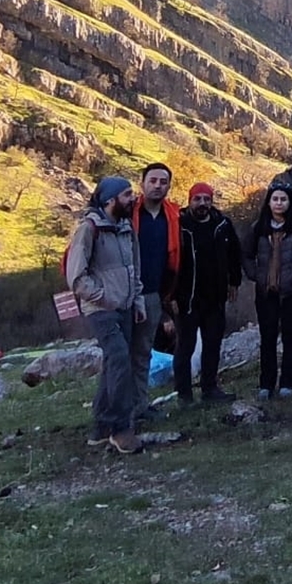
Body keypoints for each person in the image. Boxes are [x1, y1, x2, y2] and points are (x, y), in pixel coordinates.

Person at [65, 176, 146, 454]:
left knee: (114, 363)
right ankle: (120, 429)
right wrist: (103, 297)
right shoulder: (88, 229)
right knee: (120, 360)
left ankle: (100, 428)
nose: (133, 199)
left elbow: (134, 268)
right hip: (100, 310)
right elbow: (76, 278)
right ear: (110, 200)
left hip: (125, 307)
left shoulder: (126, 227)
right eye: (127, 195)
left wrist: (137, 301)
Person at [241, 184, 292, 399]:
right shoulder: (259, 227)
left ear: (290, 202)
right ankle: (266, 384)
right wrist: (256, 275)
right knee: (267, 337)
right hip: (266, 291)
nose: (279, 203)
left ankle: (288, 383)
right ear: (268, 202)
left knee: (290, 335)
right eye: (275, 199)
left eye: (283, 199)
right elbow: (246, 255)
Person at [173, 183, 242, 404]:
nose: (202, 203)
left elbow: (235, 253)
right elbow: (170, 260)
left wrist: (235, 281)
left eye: (206, 199)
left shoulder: (222, 224)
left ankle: (210, 388)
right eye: (198, 199)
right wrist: (170, 295)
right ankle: (184, 394)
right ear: (189, 200)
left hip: (215, 297)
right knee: (185, 346)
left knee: (213, 344)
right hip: (188, 298)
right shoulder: (179, 225)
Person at [130, 162, 180, 424]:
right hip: (124, 295)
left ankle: (140, 405)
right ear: (142, 183)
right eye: (153, 181)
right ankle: (115, 411)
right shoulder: (128, 212)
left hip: (153, 294)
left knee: (143, 353)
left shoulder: (172, 216)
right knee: (119, 356)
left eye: (163, 182)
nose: (158, 186)